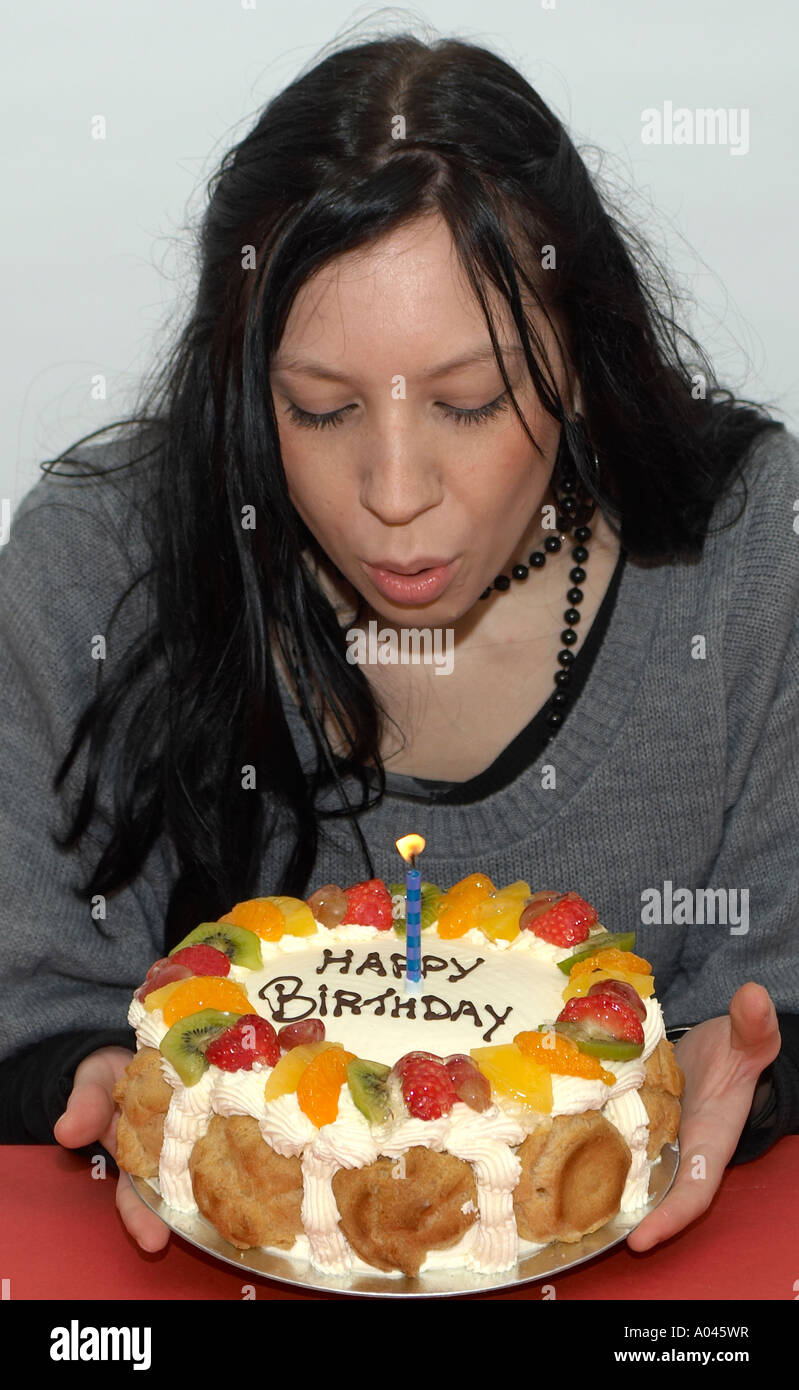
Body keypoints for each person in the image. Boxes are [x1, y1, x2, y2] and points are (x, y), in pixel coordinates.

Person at [1, 32, 796, 1266]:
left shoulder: (750, 556)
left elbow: (777, 982)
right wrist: (112, 1079)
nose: (393, 489)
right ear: (240, 383)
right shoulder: (100, 561)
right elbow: (30, 983)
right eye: (318, 407)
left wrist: (748, 1070)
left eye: (470, 401)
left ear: (580, 361)